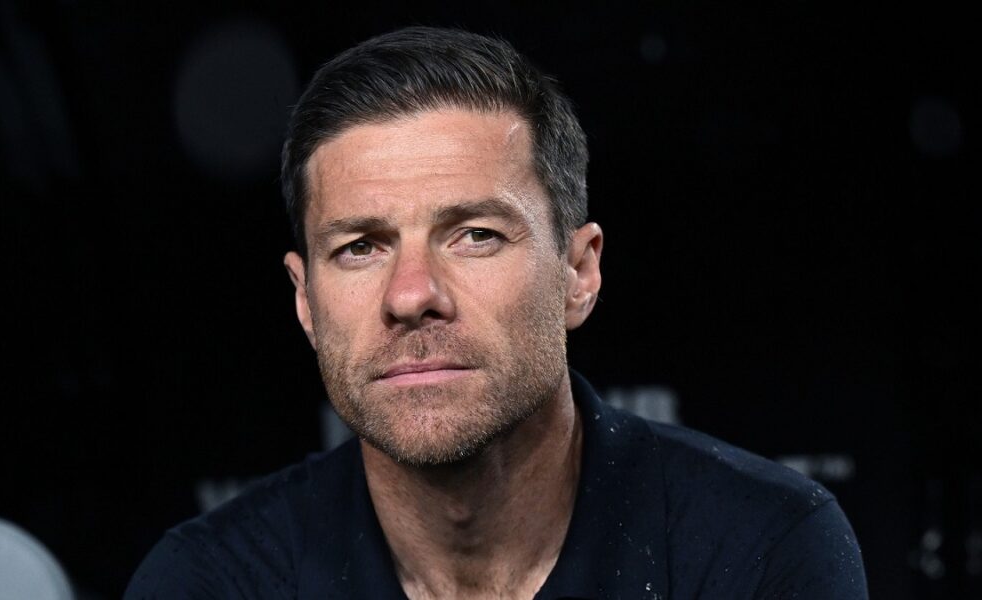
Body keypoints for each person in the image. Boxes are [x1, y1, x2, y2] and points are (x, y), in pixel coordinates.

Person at [125, 27, 868, 599]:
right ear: (305, 301)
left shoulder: (761, 550)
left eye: (475, 235)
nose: (411, 295)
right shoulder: (206, 584)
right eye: (360, 247)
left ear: (579, 273)